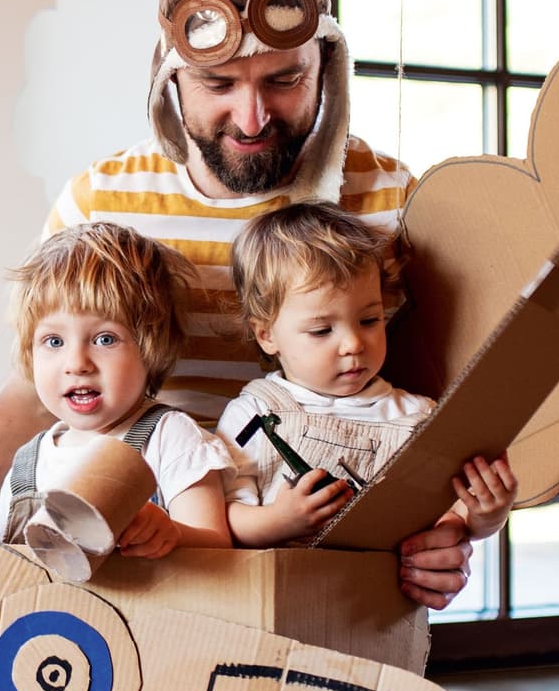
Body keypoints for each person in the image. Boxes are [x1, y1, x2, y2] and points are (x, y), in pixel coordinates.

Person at [0, 0, 474, 608]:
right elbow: (37, 391)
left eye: (283, 80)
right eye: (219, 85)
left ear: (325, 61)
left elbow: (435, 412)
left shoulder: (391, 197)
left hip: (329, 575)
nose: (252, 117)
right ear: (170, 74)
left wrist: (445, 535)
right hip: (144, 567)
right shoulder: (101, 200)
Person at [219, 201, 517, 547]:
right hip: (284, 593)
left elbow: (449, 518)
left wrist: (486, 515)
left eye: (369, 321)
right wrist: (280, 521)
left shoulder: (420, 418)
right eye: (321, 330)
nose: (353, 344)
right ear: (266, 334)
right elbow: (226, 516)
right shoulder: (253, 413)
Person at [0, 223, 235, 559]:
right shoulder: (26, 466)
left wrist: (172, 533)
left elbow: (219, 545)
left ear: (149, 348)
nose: (77, 363)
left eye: (104, 339)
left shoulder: (170, 437)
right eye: (54, 341)